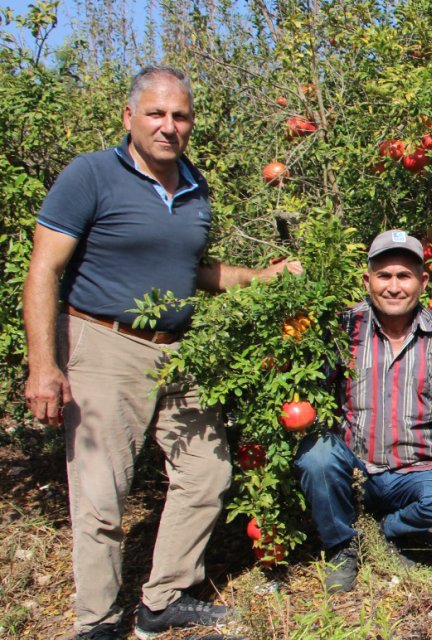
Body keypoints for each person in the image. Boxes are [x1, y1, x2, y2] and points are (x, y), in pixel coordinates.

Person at [21, 66, 302, 640]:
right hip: (103, 344)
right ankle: (96, 619)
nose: (168, 126)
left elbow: (191, 272)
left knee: (207, 473)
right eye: (156, 113)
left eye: (179, 116)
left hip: (178, 351)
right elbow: (44, 269)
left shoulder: (195, 187)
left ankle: (164, 596)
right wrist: (44, 366)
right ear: (129, 117)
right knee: (102, 493)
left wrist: (262, 276)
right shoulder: (91, 175)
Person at [293, 230, 432, 594]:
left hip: (414, 471)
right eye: (384, 276)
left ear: (423, 282)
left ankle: (381, 533)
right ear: (368, 280)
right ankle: (341, 547)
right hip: (354, 466)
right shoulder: (342, 328)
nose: (394, 287)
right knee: (316, 459)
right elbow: (313, 402)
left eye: (404, 276)